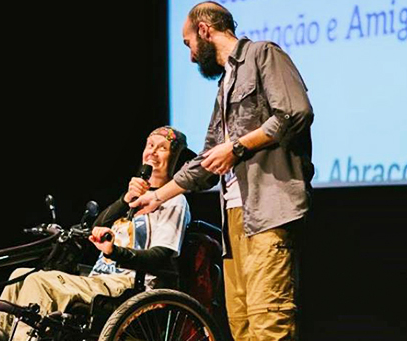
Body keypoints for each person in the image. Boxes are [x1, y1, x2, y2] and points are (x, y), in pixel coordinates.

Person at [130, 2, 314, 340]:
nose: (189, 56)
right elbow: (206, 162)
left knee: (268, 322)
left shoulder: (263, 55)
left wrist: (238, 147)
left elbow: (294, 113)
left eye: (188, 43)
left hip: (268, 211)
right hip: (234, 219)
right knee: (241, 325)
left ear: (203, 30)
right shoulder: (225, 85)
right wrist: (157, 197)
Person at [0, 126, 192, 341]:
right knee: (18, 276)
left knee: (38, 282)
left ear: (175, 158)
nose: (153, 153)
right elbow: (98, 225)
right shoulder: (133, 196)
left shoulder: (175, 201)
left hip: (129, 284)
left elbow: (162, 254)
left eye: (162, 148)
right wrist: (124, 200)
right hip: (100, 278)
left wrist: (116, 253)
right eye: (150, 146)